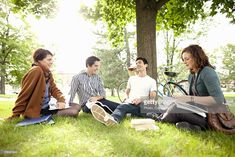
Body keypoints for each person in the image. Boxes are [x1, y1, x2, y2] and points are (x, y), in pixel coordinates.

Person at [159, 44, 226, 131]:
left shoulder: (208, 72)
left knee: (176, 108)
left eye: (187, 59)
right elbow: (192, 102)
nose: (184, 62)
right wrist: (181, 99)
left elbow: (218, 99)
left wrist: (189, 98)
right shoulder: (191, 76)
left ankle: (160, 120)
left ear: (197, 57)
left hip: (212, 118)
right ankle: (193, 127)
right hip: (199, 113)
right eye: (183, 60)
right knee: (170, 104)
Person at [7, 48, 81, 120]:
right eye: (49, 60)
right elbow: (24, 94)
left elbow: (54, 89)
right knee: (73, 112)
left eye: (52, 60)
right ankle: (46, 116)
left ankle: (53, 112)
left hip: (48, 106)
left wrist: (61, 100)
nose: (51, 62)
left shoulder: (47, 72)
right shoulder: (36, 71)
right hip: (38, 111)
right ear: (39, 60)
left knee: (77, 106)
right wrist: (15, 114)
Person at [90, 57, 157, 126]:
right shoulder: (132, 79)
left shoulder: (151, 81)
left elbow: (152, 97)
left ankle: (133, 114)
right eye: (136, 63)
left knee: (151, 114)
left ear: (146, 65)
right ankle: (113, 120)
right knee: (122, 107)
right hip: (131, 104)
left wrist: (141, 99)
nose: (137, 64)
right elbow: (126, 92)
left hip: (144, 105)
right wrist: (125, 98)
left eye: (139, 62)